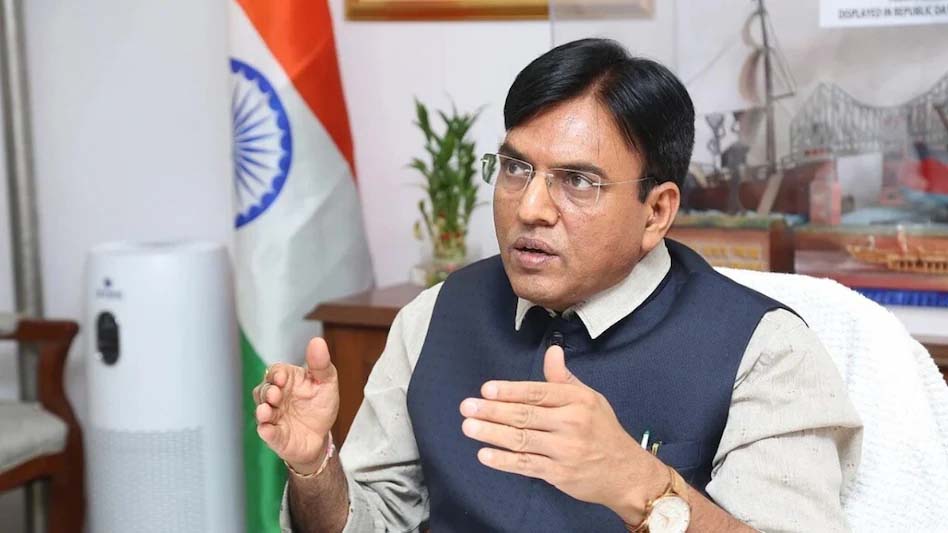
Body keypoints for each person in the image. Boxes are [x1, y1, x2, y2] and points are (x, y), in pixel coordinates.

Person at [253, 38, 862, 533]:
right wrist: (314, 468)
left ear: (656, 212)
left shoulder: (764, 351)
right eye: (516, 169)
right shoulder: (435, 316)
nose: (531, 208)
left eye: (578, 181)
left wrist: (638, 484)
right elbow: (373, 520)